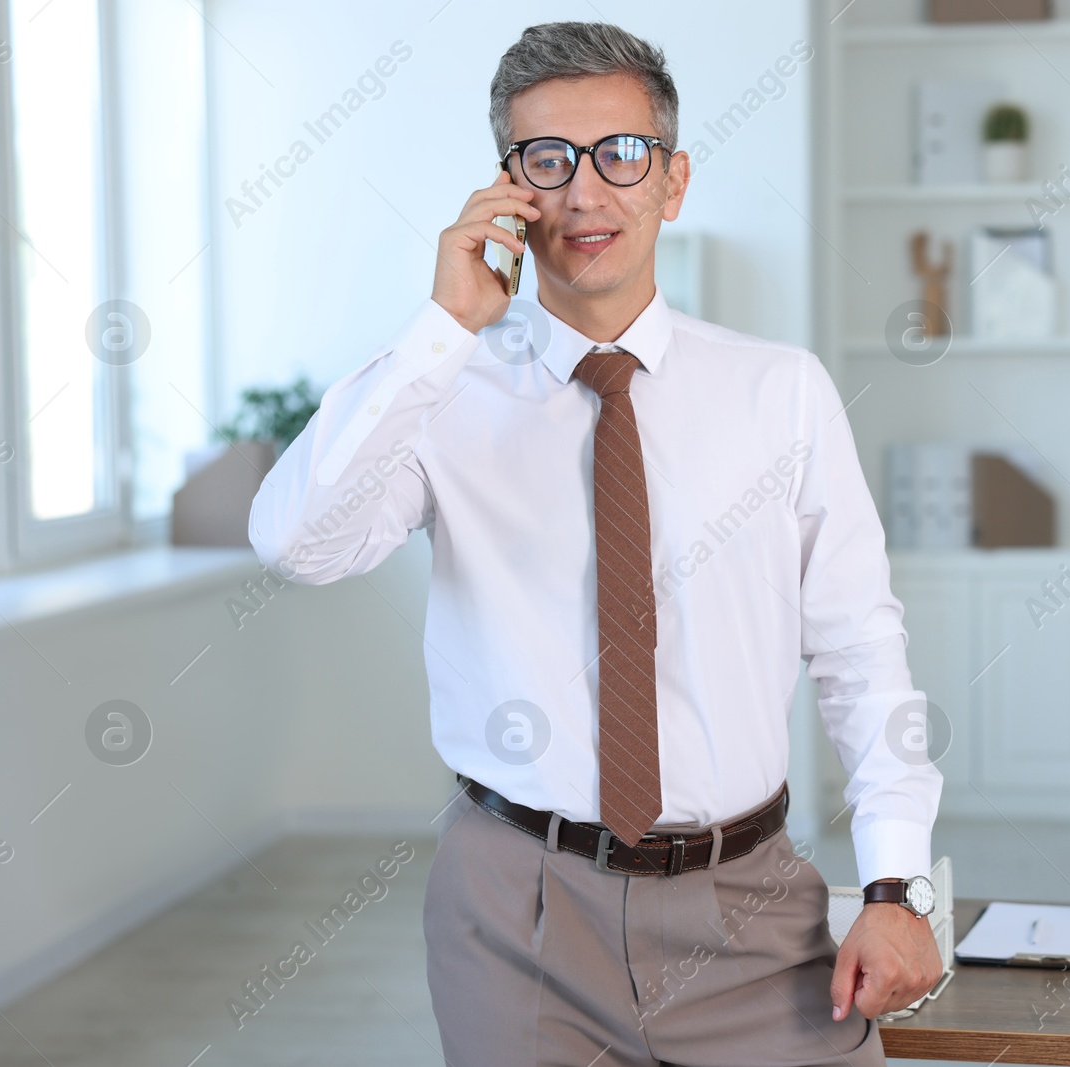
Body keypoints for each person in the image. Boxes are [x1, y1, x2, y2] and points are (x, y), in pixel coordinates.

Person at [248, 20, 942, 1067]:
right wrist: (440, 328)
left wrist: (895, 883)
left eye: (621, 154)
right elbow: (297, 545)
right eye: (547, 160)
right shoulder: (440, 390)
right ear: (506, 186)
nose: (585, 193)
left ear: (673, 181)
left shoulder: (779, 391)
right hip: (515, 909)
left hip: (748, 906)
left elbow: (859, 649)